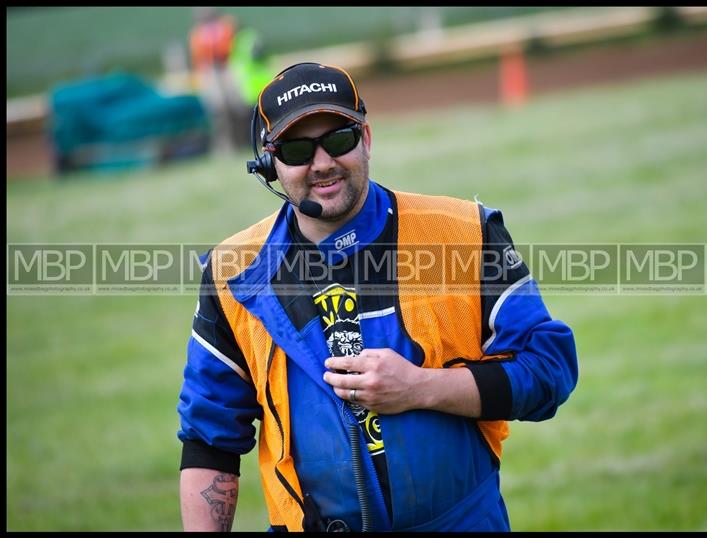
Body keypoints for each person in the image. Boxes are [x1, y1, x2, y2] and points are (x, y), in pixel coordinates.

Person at [177, 62, 578, 532]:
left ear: (366, 139)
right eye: (298, 149)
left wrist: (420, 388)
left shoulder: (464, 233)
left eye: (339, 140)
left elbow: (549, 369)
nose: (322, 162)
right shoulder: (233, 273)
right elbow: (209, 441)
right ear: (270, 162)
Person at [188, 7, 245, 153]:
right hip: (210, 71)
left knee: (236, 106)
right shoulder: (197, 34)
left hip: (227, 66)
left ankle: (242, 140)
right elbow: (197, 58)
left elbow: (236, 43)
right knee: (218, 110)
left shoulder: (226, 26)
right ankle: (225, 145)